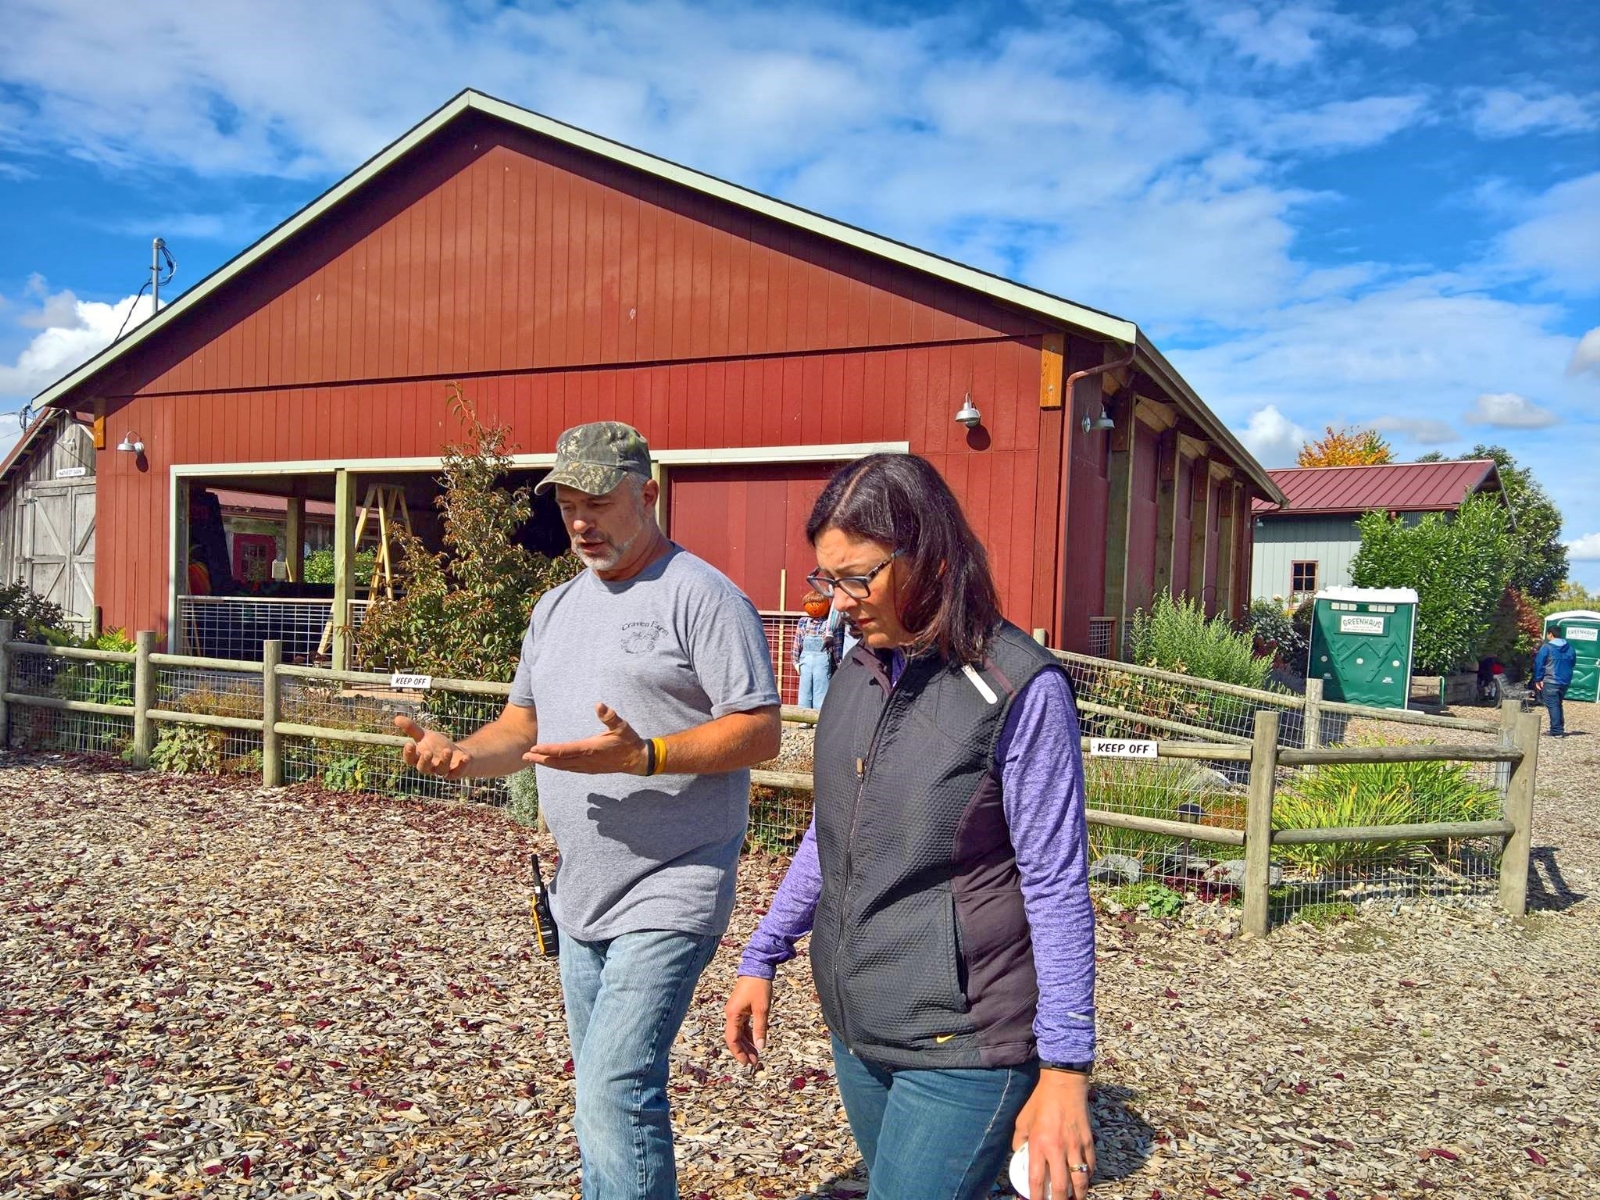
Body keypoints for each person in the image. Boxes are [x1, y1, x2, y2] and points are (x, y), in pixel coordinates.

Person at [395, 421, 781, 1199]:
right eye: (569, 502)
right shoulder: (554, 609)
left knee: (614, 1086)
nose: (580, 521)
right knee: (600, 1096)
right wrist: (464, 756)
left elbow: (761, 730)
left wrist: (649, 755)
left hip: (673, 884)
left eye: (598, 501)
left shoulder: (702, 597)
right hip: (579, 895)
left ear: (648, 492)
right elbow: (522, 729)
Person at [723, 453, 1097, 1200]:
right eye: (828, 579)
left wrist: (1065, 1069)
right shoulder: (859, 672)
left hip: (965, 1043)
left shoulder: (1019, 688)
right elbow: (832, 834)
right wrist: (762, 954)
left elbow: (1057, 885)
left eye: (858, 577)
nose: (838, 601)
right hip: (860, 1031)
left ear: (929, 555)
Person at [793, 589, 838, 709]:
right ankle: (803, 716)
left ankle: (818, 716)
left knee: (821, 687)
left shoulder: (829, 623)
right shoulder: (803, 622)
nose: (814, 608)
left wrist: (838, 660)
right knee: (805, 688)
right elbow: (797, 641)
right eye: (811, 604)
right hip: (805, 660)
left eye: (818, 604)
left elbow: (836, 643)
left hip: (822, 660)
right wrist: (795, 661)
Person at [1532, 626, 1577, 738]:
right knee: (1557, 704)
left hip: (1551, 679)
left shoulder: (1547, 647)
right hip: (1565, 680)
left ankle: (1557, 731)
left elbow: (1539, 663)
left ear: (1550, 634)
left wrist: (1538, 679)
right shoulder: (1570, 648)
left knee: (1552, 705)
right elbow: (1572, 663)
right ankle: (1559, 728)